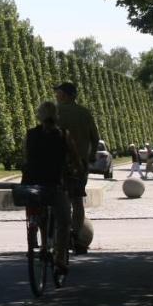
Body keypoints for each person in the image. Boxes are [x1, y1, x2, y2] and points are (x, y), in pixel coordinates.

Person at [21, 100, 72, 273]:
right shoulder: (64, 134)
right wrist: (79, 169)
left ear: (39, 115)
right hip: (54, 183)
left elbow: (26, 156)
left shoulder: (30, 134)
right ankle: (59, 258)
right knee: (64, 220)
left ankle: (41, 244)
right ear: (56, 115)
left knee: (39, 209)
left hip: (31, 184)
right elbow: (74, 157)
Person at [54, 82, 100, 254]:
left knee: (56, 199)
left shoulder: (55, 112)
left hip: (56, 164)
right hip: (79, 165)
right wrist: (92, 154)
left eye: (58, 93)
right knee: (77, 201)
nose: (56, 96)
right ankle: (76, 237)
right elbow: (95, 138)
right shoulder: (84, 113)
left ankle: (57, 237)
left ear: (65, 95)